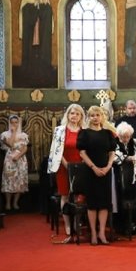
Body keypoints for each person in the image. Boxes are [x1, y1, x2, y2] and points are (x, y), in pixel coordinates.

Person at [46, 103, 88, 242]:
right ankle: (68, 225)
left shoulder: (85, 131)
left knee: (79, 196)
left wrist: (81, 165)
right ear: (68, 115)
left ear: (81, 116)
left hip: (81, 167)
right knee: (65, 195)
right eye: (72, 113)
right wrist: (68, 166)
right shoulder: (60, 130)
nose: (74, 116)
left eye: (77, 114)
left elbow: (86, 150)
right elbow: (57, 150)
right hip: (64, 166)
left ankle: (77, 223)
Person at [78, 106, 117, 245]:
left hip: (106, 171)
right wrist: (94, 168)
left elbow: (112, 152)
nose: (95, 118)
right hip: (90, 172)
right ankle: (93, 233)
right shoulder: (84, 133)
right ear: (89, 117)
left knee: (104, 204)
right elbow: (82, 153)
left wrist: (108, 166)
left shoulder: (108, 133)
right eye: (92, 115)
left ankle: (102, 232)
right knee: (93, 204)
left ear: (102, 116)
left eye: (98, 115)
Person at [18, 0, 55, 85]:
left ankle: (44, 71)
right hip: (30, 29)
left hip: (41, 28)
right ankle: (28, 72)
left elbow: (48, 12)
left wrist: (44, 5)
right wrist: (34, 5)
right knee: (30, 50)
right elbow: (24, 11)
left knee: (42, 48)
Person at [0, 114, 30, 211]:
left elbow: (25, 148)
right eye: (12, 122)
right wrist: (13, 132)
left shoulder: (23, 135)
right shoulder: (4, 135)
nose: (14, 124)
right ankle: (8, 203)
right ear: (9, 123)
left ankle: (15, 202)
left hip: (20, 159)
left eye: (16, 122)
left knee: (20, 180)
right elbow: (11, 144)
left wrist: (19, 156)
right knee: (9, 180)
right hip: (9, 159)